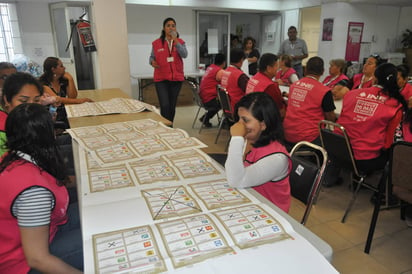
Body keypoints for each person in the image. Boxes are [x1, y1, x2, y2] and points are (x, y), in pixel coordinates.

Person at [0, 103, 82, 273]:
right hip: (24, 263)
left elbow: (56, 182)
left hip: (41, 232)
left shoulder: (15, 158)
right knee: (99, 242)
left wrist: (88, 179)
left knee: (90, 211)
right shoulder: (33, 191)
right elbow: (38, 259)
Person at [225, 92, 291, 212]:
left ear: (263, 125)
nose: (239, 125)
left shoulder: (276, 158)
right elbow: (232, 169)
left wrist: (236, 139)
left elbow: (235, 180)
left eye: (245, 120)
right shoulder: (249, 139)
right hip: (250, 200)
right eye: (238, 118)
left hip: (270, 213)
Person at [337, 63, 407, 173]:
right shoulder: (395, 105)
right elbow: (388, 142)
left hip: (338, 151)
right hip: (364, 159)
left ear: (374, 78)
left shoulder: (351, 94)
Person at [283, 56, 336, 148]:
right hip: (309, 138)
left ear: (305, 70)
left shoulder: (294, 86)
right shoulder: (324, 91)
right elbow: (331, 118)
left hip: (287, 133)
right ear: (323, 72)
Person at [149, 17, 188, 124]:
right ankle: (166, 126)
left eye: (173, 25)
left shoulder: (180, 42)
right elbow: (152, 57)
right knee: (165, 105)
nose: (171, 27)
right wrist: (152, 62)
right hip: (161, 79)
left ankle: (169, 126)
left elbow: (184, 54)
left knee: (171, 105)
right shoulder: (156, 43)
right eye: (168, 25)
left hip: (176, 79)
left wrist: (175, 40)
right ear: (164, 28)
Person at [39, 57, 93, 129]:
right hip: (52, 115)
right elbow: (57, 99)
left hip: (65, 111)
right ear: (53, 69)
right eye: (61, 66)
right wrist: (80, 101)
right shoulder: (43, 83)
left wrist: (70, 79)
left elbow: (72, 96)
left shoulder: (63, 80)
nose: (64, 68)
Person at [246, 53, 286, 118]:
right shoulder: (271, 86)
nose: (278, 69)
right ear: (269, 68)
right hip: (264, 121)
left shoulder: (253, 78)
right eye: (276, 66)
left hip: (250, 115)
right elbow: (281, 111)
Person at [199, 53, 226, 128]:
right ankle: (226, 122)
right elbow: (227, 84)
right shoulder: (219, 71)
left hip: (203, 97)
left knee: (221, 101)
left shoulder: (210, 67)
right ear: (224, 62)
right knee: (227, 102)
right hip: (209, 100)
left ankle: (205, 118)